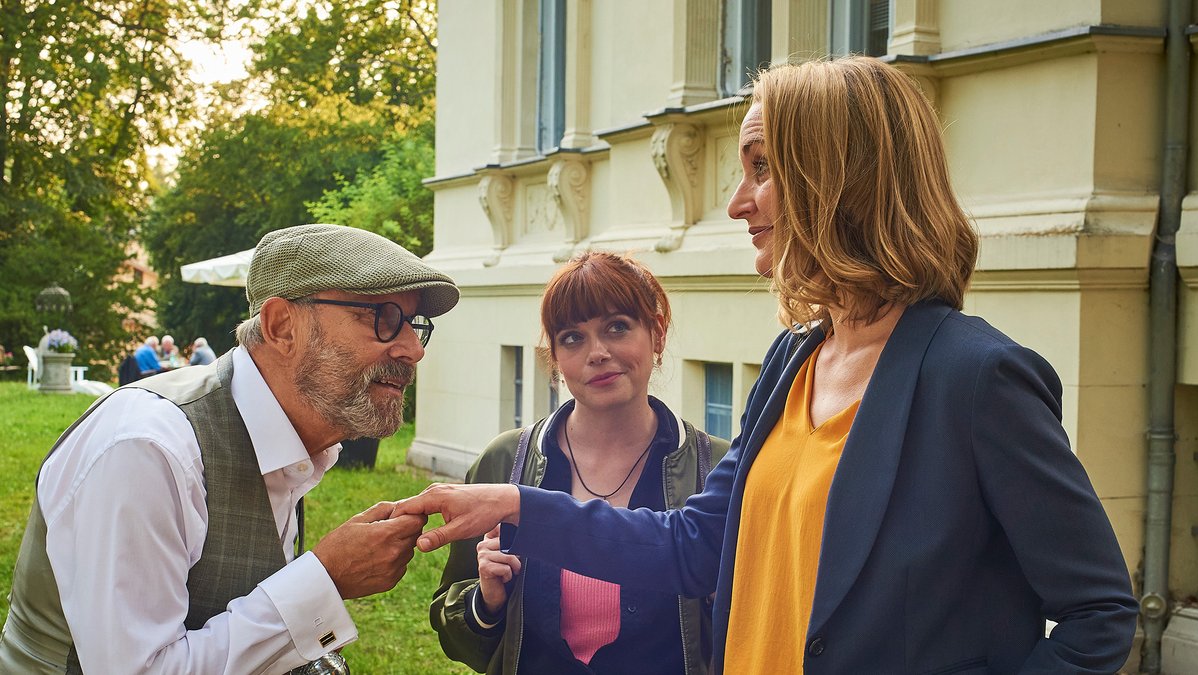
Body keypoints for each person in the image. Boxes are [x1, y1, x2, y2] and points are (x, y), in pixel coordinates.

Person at [398, 57, 1139, 673]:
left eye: (761, 169)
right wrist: (521, 507)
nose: (735, 203)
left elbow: (1098, 614)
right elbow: (693, 545)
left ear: (840, 178)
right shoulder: (794, 358)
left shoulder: (977, 377)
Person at [0, 223, 459, 674]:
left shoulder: (293, 444)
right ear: (282, 326)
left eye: (415, 325)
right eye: (381, 318)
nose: (412, 350)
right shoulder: (149, 449)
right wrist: (325, 578)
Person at [430, 252, 730, 675]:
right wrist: (486, 601)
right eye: (573, 337)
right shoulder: (506, 462)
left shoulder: (716, 468)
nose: (598, 352)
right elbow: (454, 633)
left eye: (618, 327)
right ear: (553, 356)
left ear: (657, 334)